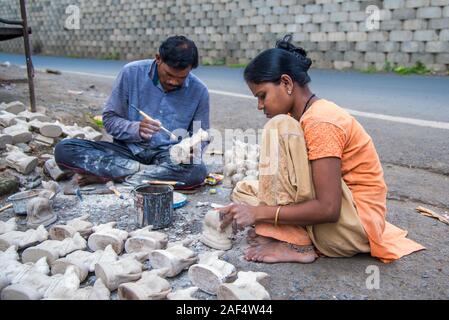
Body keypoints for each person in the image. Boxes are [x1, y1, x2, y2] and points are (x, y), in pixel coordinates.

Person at [219, 35, 424, 264]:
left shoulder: (320, 121)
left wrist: (258, 214)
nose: (260, 106)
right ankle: (288, 231)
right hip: (335, 219)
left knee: (279, 127)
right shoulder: (300, 117)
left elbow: (329, 209)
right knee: (243, 191)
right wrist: (252, 210)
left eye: (262, 96)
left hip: (350, 228)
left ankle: (297, 244)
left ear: (286, 83)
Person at [54, 35, 209, 187]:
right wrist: (136, 129)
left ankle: (113, 174)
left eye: (181, 77)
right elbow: (109, 119)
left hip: (169, 156)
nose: (173, 81)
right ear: (158, 58)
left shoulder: (199, 91)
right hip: (126, 150)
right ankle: (146, 173)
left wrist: (192, 149)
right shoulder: (131, 73)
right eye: (168, 74)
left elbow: (201, 134)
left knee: (197, 171)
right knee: (64, 150)